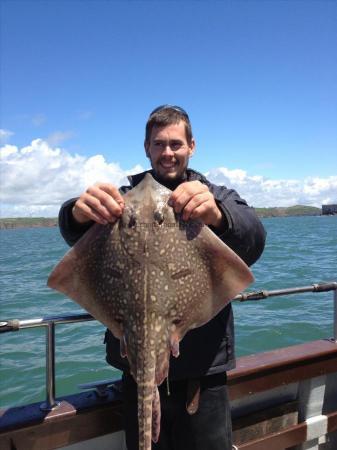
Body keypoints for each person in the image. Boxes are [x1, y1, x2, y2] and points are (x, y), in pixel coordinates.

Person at [59, 105, 266, 450]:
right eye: (159, 144)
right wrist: (76, 214)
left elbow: (254, 237)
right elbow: (76, 235)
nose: (167, 153)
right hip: (134, 367)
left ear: (191, 146)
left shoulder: (217, 195)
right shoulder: (125, 201)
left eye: (175, 144)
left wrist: (219, 215)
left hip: (203, 375)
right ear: (146, 148)